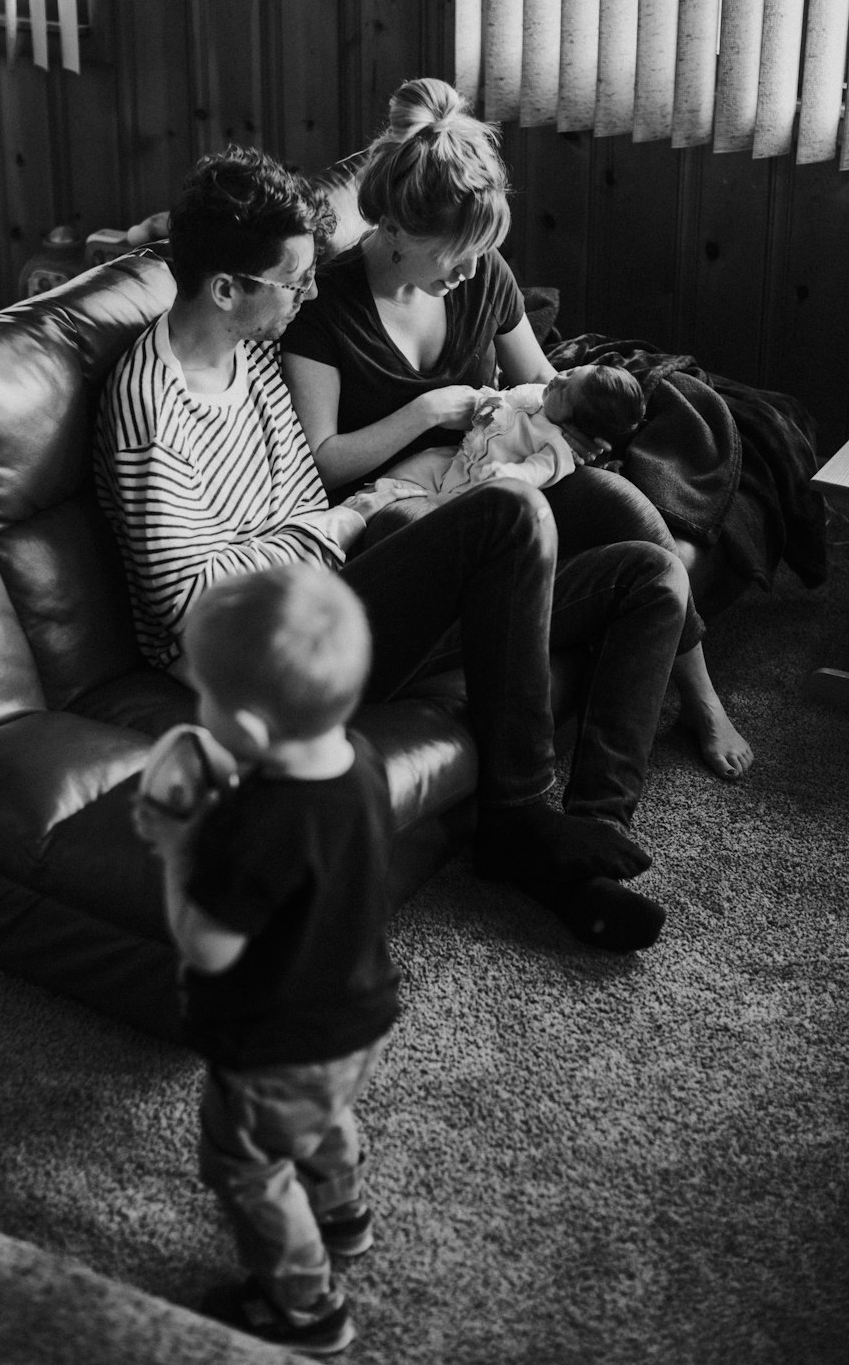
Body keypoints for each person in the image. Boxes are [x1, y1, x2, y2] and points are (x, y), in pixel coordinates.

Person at [97, 141, 690, 963]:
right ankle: (517, 821)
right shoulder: (150, 413)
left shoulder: (252, 351)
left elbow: (303, 506)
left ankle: (587, 844)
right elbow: (186, 613)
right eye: (295, 280)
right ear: (228, 288)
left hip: (335, 601)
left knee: (650, 575)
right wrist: (331, 529)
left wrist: (324, 528)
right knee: (508, 516)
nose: (309, 292)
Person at [281, 76, 753, 784]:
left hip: (501, 464)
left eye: (482, 252)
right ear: (397, 232)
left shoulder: (482, 276)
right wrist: (425, 412)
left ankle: (700, 695)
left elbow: (536, 381)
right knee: (412, 520)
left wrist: (570, 423)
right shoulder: (326, 310)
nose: (472, 271)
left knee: (621, 504)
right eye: (458, 253)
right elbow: (323, 462)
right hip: (412, 507)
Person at [133, 564, 397, 1356]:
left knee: (245, 1166)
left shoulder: (250, 827)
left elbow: (208, 947)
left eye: (202, 695)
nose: (197, 708)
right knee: (321, 1115)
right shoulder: (360, 761)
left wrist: (181, 850)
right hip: (359, 1014)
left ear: (245, 727)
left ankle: (306, 1304)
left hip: (271, 1041)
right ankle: (343, 1209)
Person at [376, 363, 645, 502]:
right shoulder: (536, 397)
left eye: (565, 392)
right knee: (401, 475)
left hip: (474, 490)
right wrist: (480, 404)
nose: (557, 379)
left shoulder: (557, 448)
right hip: (458, 459)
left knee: (414, 506)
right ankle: (361, 505)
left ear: (576, 426)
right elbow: (503, 401)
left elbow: (535, 471)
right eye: (569, 372)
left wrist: (508, 476)